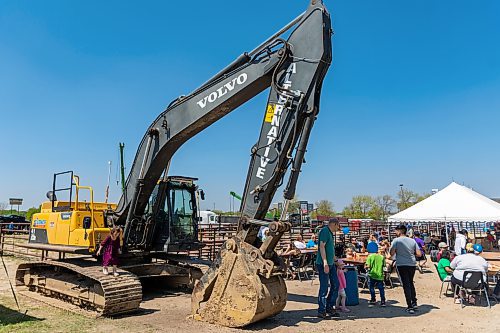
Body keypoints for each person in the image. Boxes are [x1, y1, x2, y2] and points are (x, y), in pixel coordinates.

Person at [390, 224, 422, 314]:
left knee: (406, 284)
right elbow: (419, 254)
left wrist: (398, 251)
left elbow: (391, 253)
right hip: (411, 263)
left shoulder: (396, 240)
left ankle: (410, 305)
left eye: (396, 231)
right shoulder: (412, 241)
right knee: (410, 282)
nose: (395, 232)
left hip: (401, 264)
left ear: (399, 231)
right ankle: (414, 302)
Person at [316, 218, 341, 319]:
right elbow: (322, 247)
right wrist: (325, 262)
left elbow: (329, 250)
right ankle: (321, 311)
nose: (338, 228)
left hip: (330, 263)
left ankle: (329, 307)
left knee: (335, 284)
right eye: (338, 225)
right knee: (324, 287)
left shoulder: (330, 233)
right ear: (334, 224)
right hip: (324, 264)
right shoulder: (325, 231)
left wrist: (336, 260)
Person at [365, 242, 386, 306]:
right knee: (381, 289)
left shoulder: (370, 257)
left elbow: (368, 266)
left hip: (372, 274)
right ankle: (383, 301)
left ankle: (373, 299)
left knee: (371, 288)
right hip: (380, 275)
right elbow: (384, 265)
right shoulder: (382, 257)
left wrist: (365, 266)